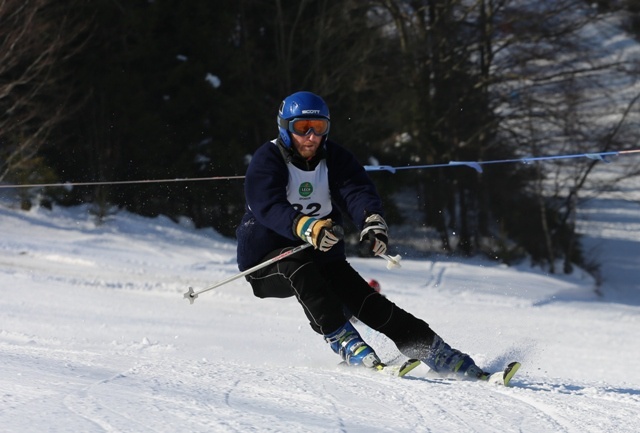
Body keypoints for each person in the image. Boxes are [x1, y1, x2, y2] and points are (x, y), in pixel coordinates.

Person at [236, 91, 486, 379]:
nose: (311, 137)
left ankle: (432, 349)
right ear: (284, 128)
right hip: (266, 264)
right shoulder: (267, 159)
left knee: (364, 298)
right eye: (302, 128)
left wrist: (371, 222)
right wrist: (306, 226)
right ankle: (345, 341)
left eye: (318, 128)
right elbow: (267, 205)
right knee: (300, 269)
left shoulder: (336, 158)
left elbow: (355, 191)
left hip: (322, 256)